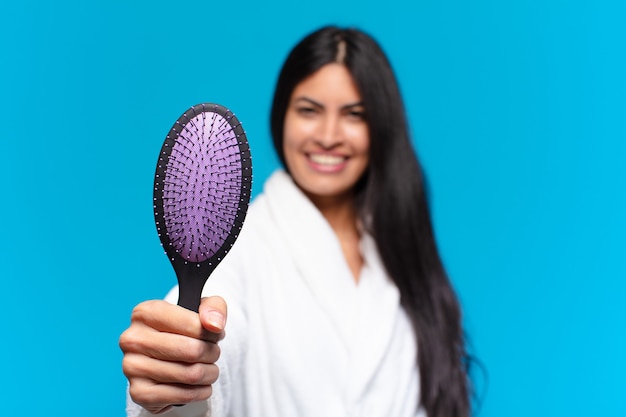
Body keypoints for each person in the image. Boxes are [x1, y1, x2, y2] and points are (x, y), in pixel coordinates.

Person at [120, 26, 472, 417]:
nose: (328, 135)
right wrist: (175, 368)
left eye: (354, 115)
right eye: (309, 110)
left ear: (381, 127)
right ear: (281, 116)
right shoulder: (243, 246)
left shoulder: (401, 247)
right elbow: (219, 325)